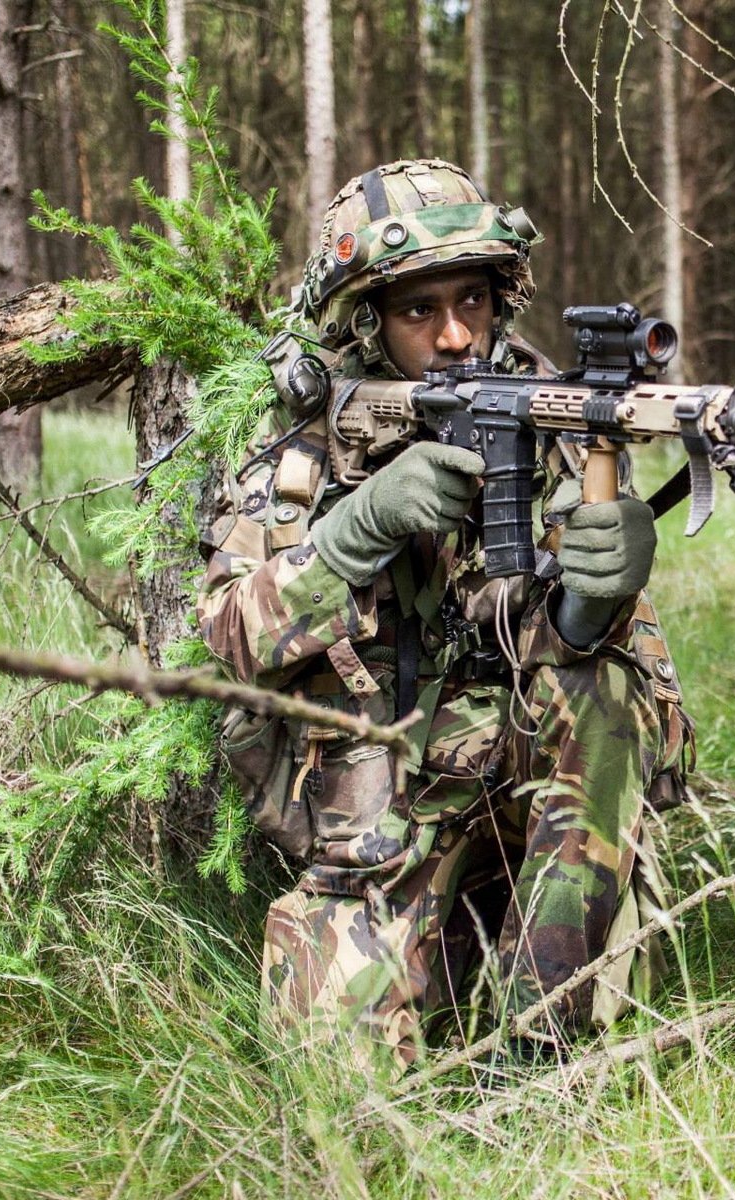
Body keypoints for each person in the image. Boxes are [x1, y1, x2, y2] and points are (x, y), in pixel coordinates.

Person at [196, 158, 692, 1072]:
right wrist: (357, 529)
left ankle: (539, 1047)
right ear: (368, 322)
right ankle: (445, 964)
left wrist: (596, 602)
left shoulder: (555, 425)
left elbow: (612, 693)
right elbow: (230, 639)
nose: (457, 335)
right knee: (335, 1095)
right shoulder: (305, 446)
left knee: (610, 702)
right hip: (369, 806)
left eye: (473, 301)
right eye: (420, 310)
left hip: (523, 777)